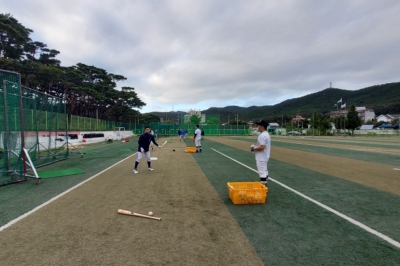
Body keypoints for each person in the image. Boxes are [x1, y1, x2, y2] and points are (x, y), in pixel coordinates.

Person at [251, 120, 271, 186]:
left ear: (262, 126)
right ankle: (265, 184)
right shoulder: (266, 134)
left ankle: (263, 186)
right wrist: (256, 146)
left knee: (262, 172)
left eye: (258, 126)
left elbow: (262, 147)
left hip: (261, 157)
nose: (257, 127)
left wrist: (254, 148)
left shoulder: (262, 135)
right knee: (265, 171)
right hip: (265, 156)